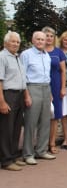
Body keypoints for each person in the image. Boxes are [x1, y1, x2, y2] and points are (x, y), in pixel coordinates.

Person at [20, 31, 56, 165]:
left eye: (43, 39)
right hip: (32, 88)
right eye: (38, 39)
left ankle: (41, 150)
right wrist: (26, 94)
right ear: (33, 40)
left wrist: (50, 92)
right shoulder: (26, 54)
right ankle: (28, 153)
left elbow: (47, 75)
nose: (41, 41)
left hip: (46, 88)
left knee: (45, 121)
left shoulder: (46, 55)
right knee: (31, 122)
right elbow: (22, 76)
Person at [0, 32, 27, 171]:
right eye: (13, 41)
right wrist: (2, 102)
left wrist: (26, 95)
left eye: (18, 42)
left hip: (19, 95)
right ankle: (6, 160)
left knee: (16, 127)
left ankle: (14, 155)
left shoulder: (17, 57)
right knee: (6, 129)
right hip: (8, 95)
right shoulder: (2, 57)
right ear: (6, 43)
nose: (16, 44)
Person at [43, 26, 66, 154]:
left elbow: (63, 71)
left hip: (56, 86)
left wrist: (63, 88)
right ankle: (41, 143)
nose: (49, 38)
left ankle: (52, 143)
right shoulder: (39, 51)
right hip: (41, 86)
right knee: (42, 116)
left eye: (51, 36)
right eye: (47, 35)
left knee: (54, 117)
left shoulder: (58, 52)